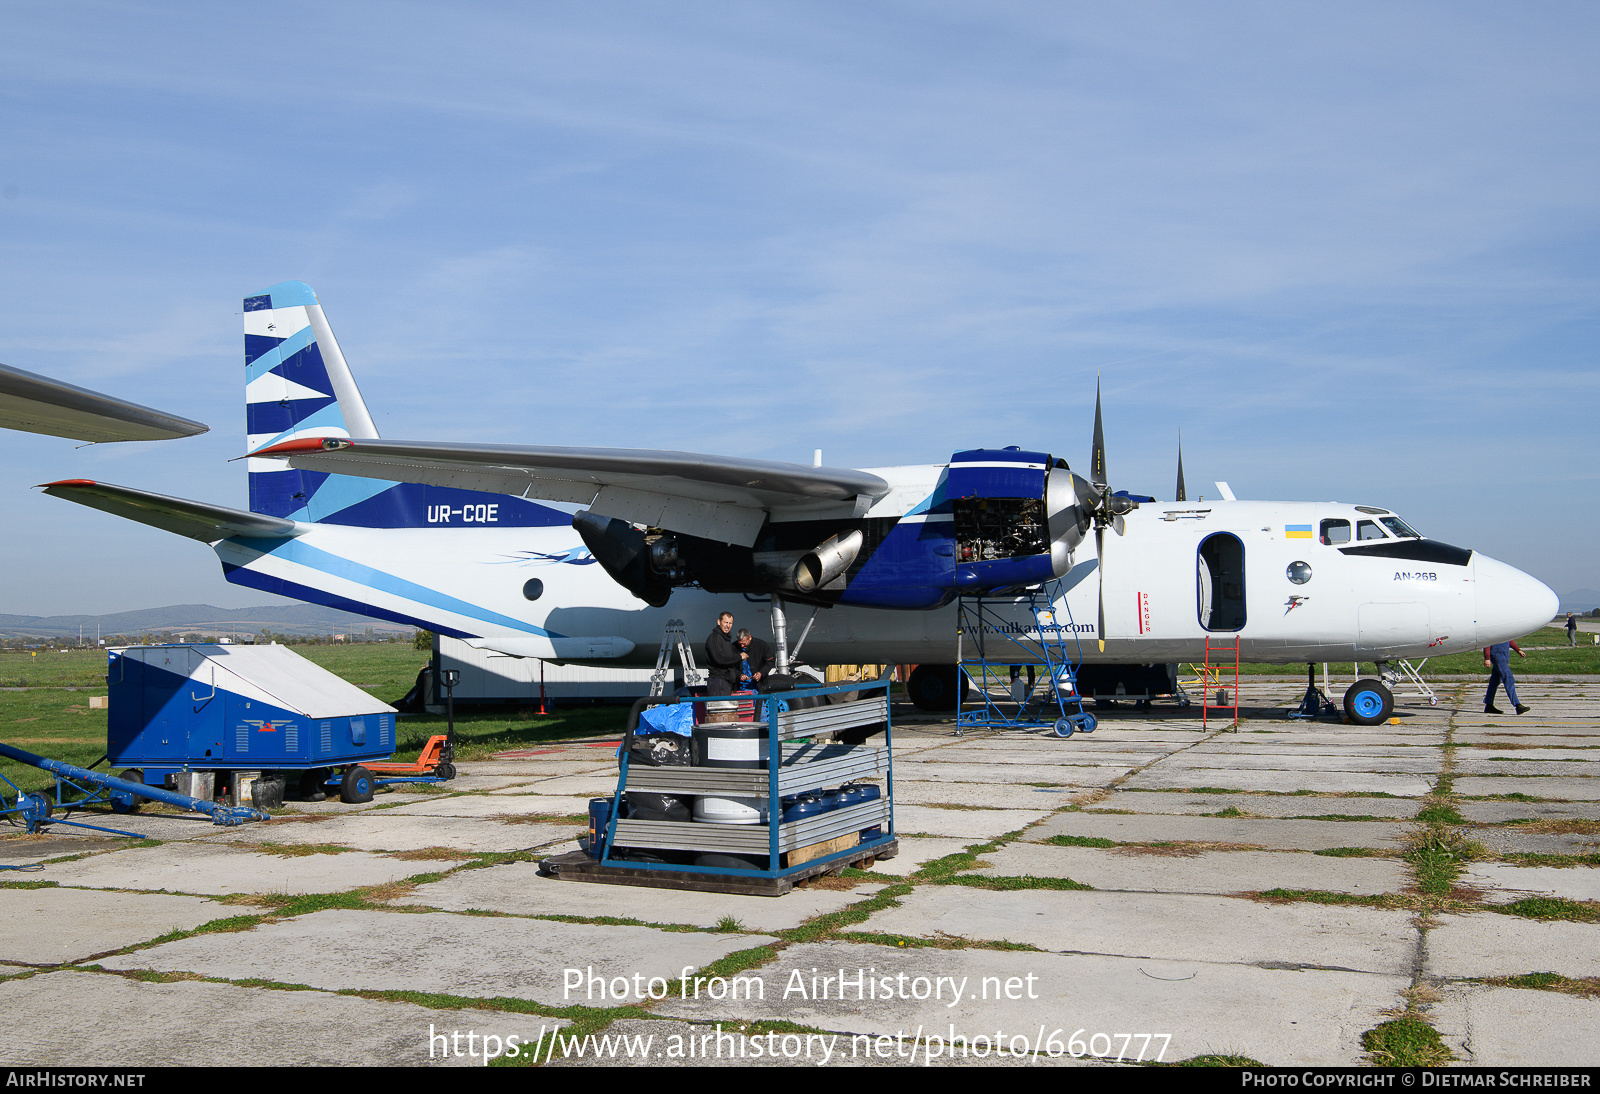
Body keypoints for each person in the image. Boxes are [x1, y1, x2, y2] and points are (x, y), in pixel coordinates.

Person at [1483, 640, 1528, 715]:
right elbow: (1487, 641)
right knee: (1508, 679)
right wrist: (1487, 658)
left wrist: (1518, 650)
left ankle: (1489, 705)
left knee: (1495, 681)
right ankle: (1518, 705)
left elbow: (1509, 639)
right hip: (1497, 655)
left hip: (1504, 655)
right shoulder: (1493, 629)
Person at [704, 611, 740, 696]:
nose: (728, 625)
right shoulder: (715, 638)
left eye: (730, 623)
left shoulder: (726, 639)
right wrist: (739, 657)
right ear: (719, 622)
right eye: (726, 622)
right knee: (719, 708)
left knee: (726, 708)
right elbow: (719, 659)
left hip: (726, 682)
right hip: (718, 682)